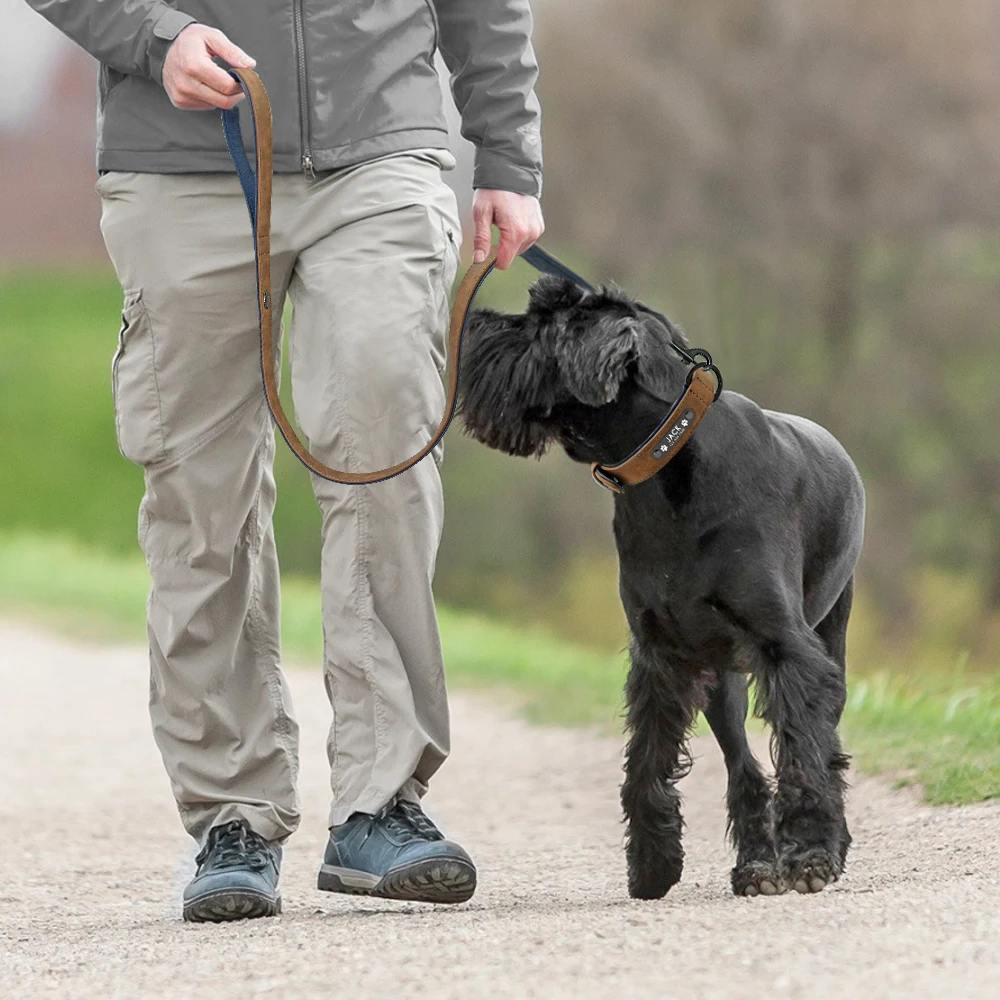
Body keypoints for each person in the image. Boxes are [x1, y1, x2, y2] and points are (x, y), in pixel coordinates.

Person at [25, 0, 544, 922]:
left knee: (384, 440)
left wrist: (506, 155)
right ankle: (234, 811)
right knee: (200, 495)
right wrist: (156, 38)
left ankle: (382, 802)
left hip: (381, 151)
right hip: (182, 161)